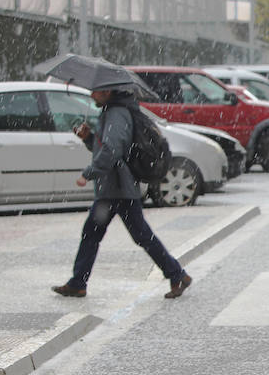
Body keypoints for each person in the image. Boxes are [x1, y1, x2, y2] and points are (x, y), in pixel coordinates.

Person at [51, 87, 192, 299]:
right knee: (101, 234)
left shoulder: (117, 114)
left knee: (134, 235)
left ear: (107, 92)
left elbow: (112, 150)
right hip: (114, 188)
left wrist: (88, 173)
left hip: (118, 188)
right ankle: (78, 282)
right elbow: (105, 148)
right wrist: (89, 138)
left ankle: (176, 273)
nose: (92, 96)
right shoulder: (111, 112)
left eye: (96, 92)